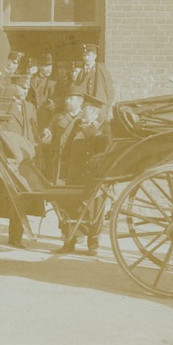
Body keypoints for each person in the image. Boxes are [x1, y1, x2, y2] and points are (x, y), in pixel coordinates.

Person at [0, 73, 37, 249]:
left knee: (20, 199)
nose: (26, 89)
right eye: (22, 86)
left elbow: (32, 132)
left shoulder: (30, 107)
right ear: (13, 88)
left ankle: (15, 238)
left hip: (24, 160)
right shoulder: (3, 107)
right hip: (5, 160)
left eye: (27, 86)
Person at [55, 93, 112, 255]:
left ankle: (92, 244)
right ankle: (69, 242)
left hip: (95, 176)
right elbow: (67, 147)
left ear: (95, 112)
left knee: (94, 211)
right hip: (75, 174)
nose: (82, 114)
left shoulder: (106, 126)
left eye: (86, 111)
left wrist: (90, 130)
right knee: (71, 208)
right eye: (83, 111)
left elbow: (105, 146)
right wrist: (65, 171)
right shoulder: (78, 123)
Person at [41, 85, 85, 185]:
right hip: (60, 163)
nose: (67, 101)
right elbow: (48, 139)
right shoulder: (57, 117)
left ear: (80, 101)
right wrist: (46, 133)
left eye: (70, 99)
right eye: (66, 98)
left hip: (77, 164)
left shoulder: (85, 118)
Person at [76, 43, 115, 117]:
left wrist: (106, 105)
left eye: (89, 55)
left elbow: (110, 90)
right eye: (84, 55)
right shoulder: (81, 71)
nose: (86, 58)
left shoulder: (102, 70)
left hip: (97, 107)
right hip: (84, 106)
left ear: (95, 56)